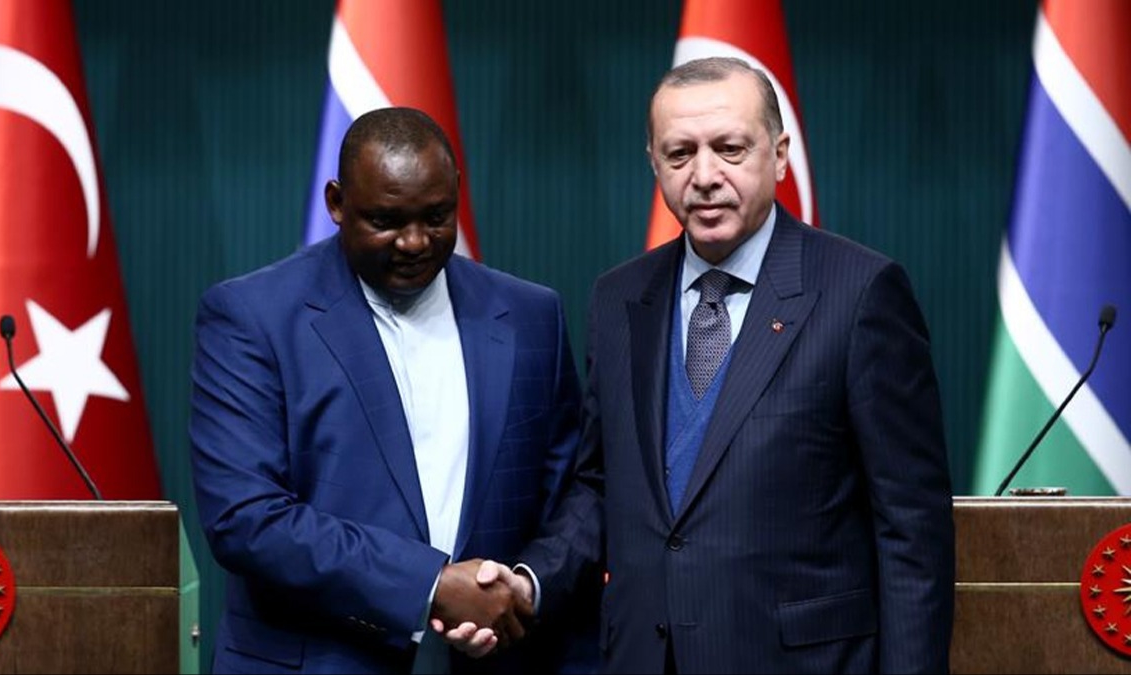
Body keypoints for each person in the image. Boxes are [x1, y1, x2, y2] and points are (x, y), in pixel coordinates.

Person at [452, 56, 956, 673]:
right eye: (680, 153)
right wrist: (530, 581)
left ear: (780, 155)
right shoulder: (619, 298)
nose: (705, 176)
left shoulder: (861, 293)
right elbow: (601, 485)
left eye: (730, 149)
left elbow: (912, 530)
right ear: (654, 163)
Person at [189, 106, 592, 674]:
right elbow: (245, 517)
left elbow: (575, 491)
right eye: (385, 220)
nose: (414, 242)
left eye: (436, 217)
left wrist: (525, 585)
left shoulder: (531, 315)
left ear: (458, 192)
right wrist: (429, 586)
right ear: (336, 203)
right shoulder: (252, 317)